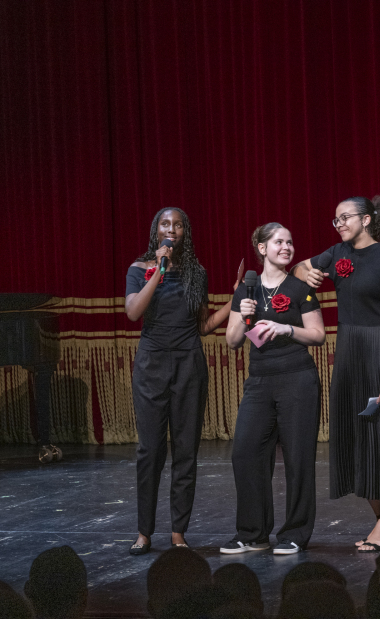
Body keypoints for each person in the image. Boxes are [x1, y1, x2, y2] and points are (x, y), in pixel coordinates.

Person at [294, 195, 380, 552]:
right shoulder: (336, 254)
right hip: (349, 352)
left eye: (345, 217)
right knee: (359, 436)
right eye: (336, 220)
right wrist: (305, 271)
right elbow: (300, 267)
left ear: (366, 220)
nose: (339, 224)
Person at [125, 208, 237, 555]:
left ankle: (178, 533)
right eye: (165, 224)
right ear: (155, 231)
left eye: (177, 225)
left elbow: (203, 325)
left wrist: (234, 301)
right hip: (152, 365)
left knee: (186, 452)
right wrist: (156, 272)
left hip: (188, 365)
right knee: (150, 451)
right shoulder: (139, 269)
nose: (171, 229)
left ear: (185, 233)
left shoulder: (196, 273)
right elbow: (133, 313)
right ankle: (144, 532)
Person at [221, 223, 325, 556]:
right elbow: (233, 341)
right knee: (246, 452)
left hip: (297, 379)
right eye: (279, 241)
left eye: (290, 242)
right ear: (261, 248)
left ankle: (295, 533)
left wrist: (286, 328)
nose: (287, 246)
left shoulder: (300, 289)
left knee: (297, 458)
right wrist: (243, 316)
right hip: (259, 381)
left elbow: (318, 335)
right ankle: (253, 533)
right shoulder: (246, 290)